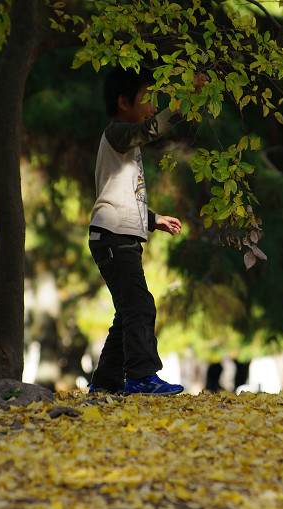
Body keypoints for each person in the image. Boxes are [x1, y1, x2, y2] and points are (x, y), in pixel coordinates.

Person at [87, 66, 208, 395]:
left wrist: (152, 218)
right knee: (140, 305)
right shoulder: (118, 133)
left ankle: (105, 382)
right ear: (124, 102)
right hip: (112, 238)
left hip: (119, 237)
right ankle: (141, 378)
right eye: (149, 98)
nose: (154, 106)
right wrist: (188, 97)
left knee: (128, 312)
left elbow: (123, 195)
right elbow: (152, 129)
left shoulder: (125, 144)